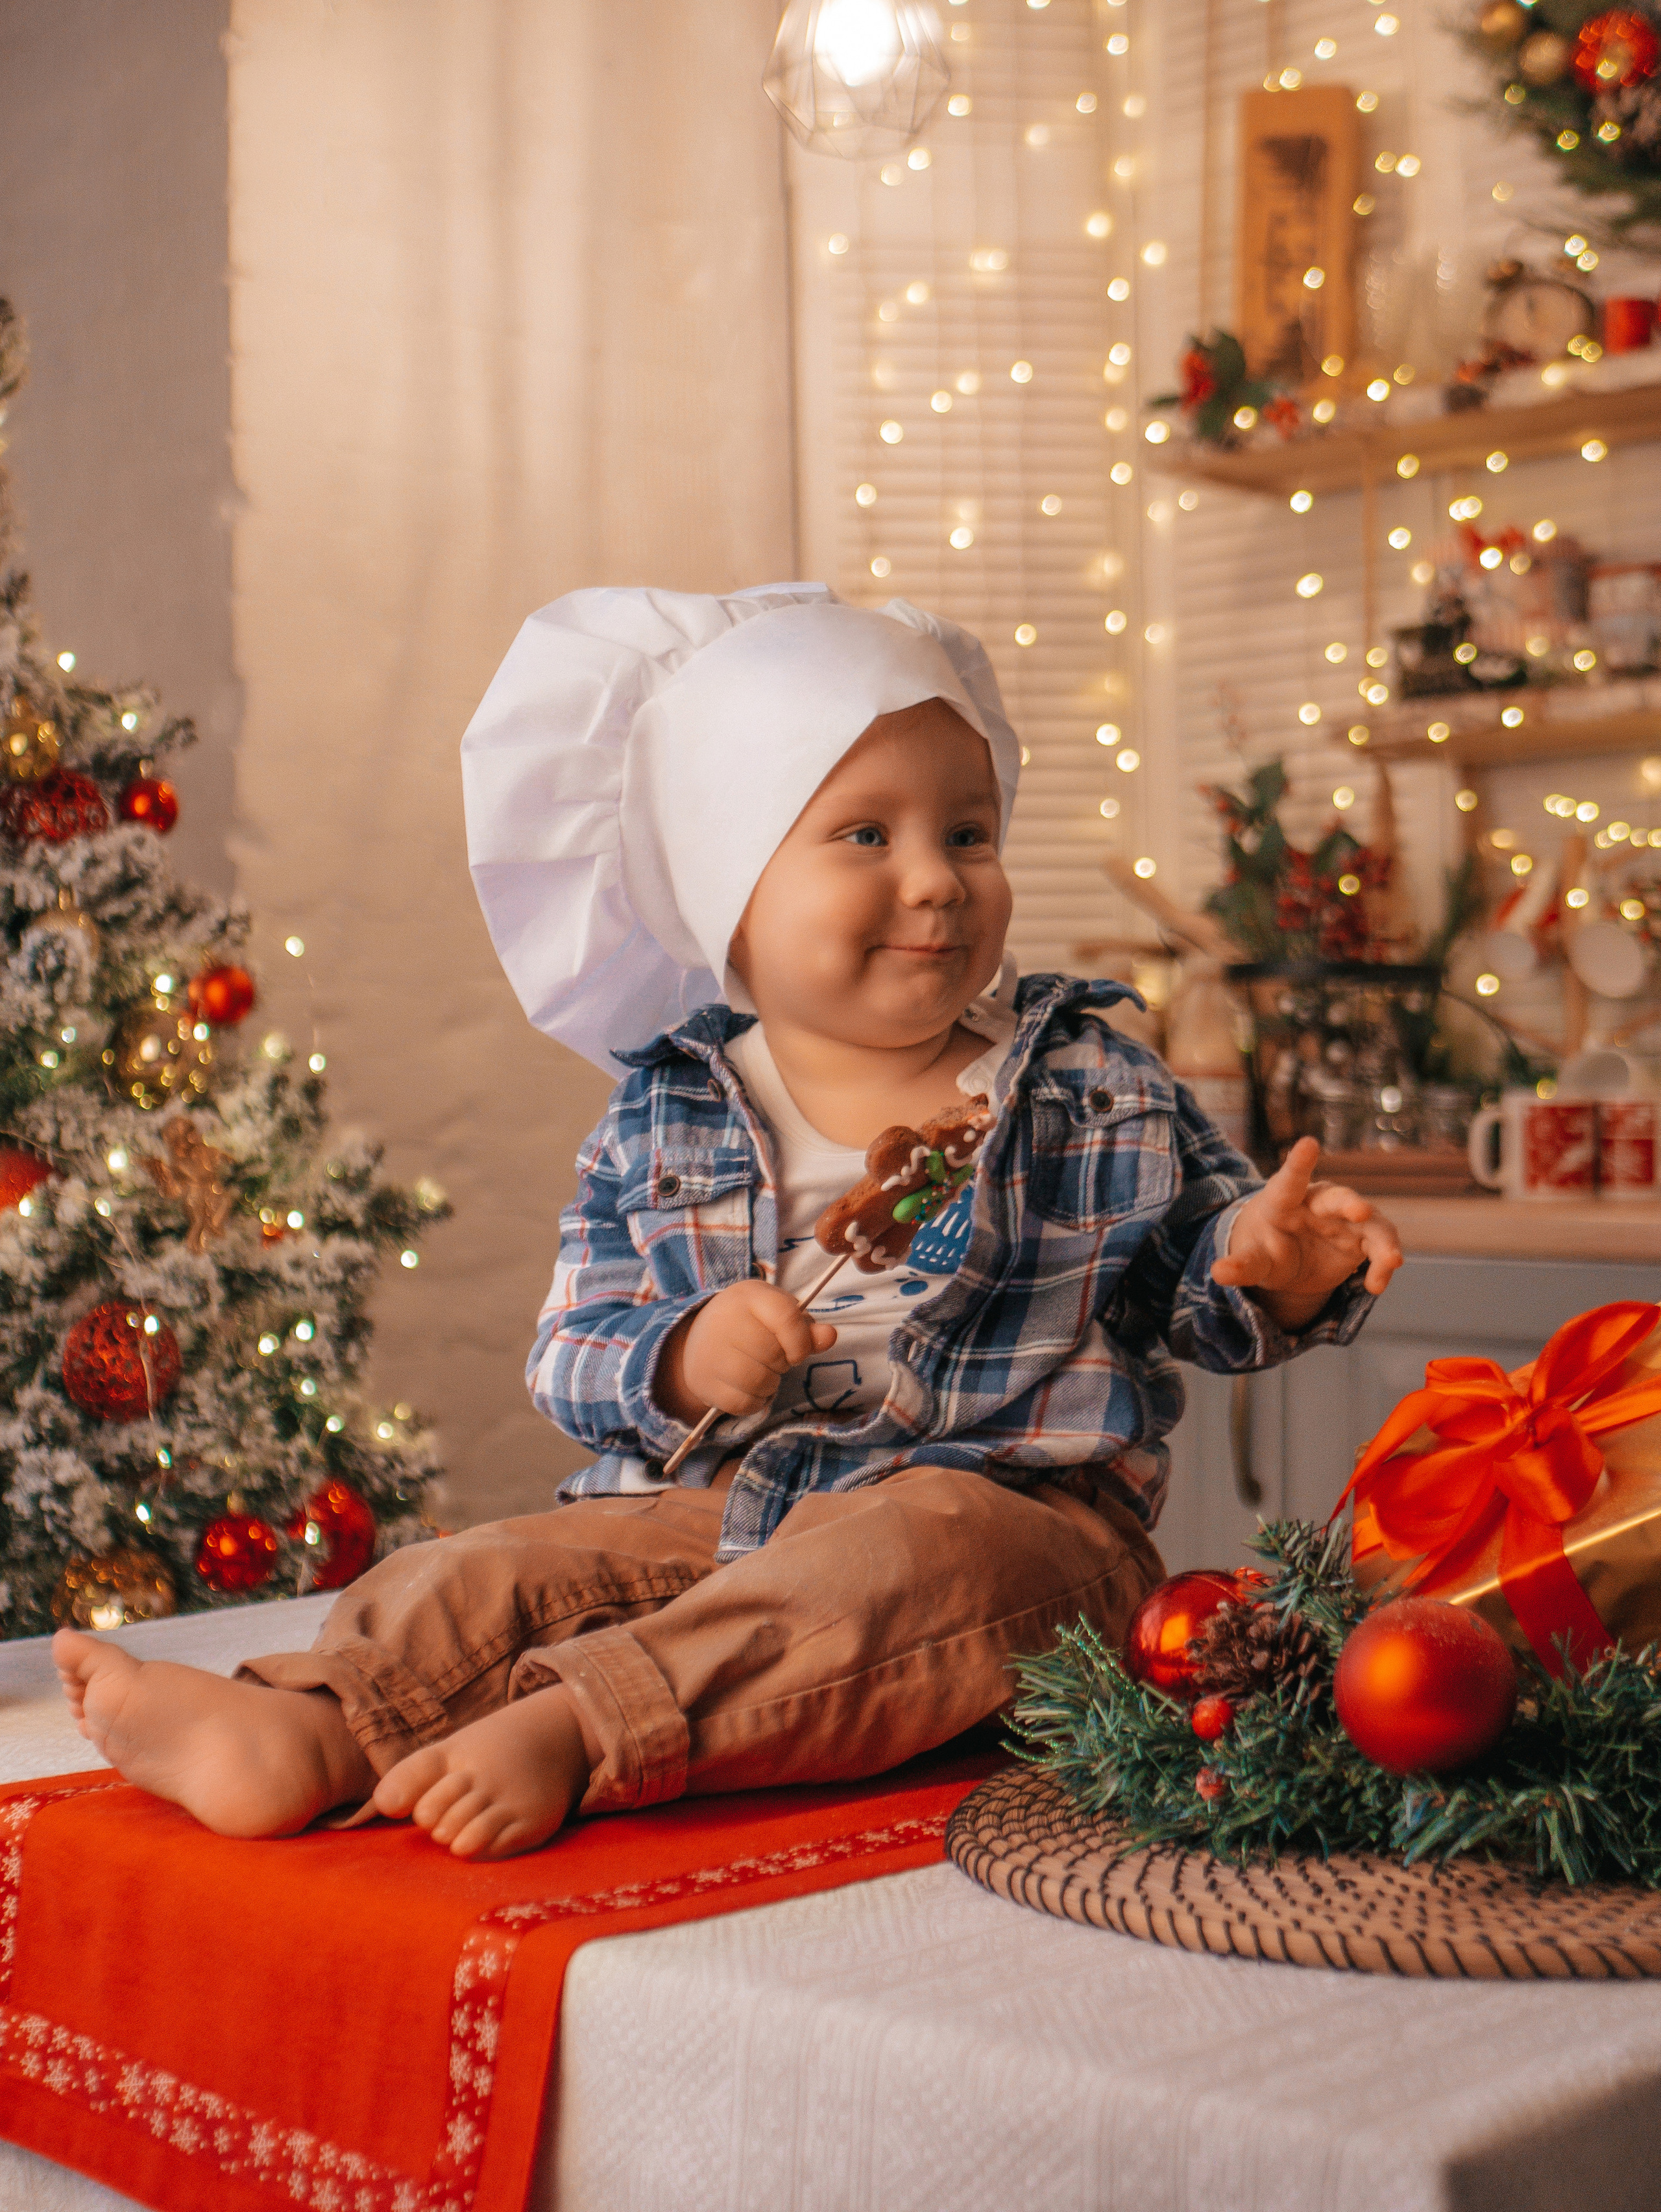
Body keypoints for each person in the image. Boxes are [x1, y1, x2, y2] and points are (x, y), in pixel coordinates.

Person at [55, 586, 1401, 1860]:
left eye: (967, 832)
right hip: (719, 1506)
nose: (935, 880)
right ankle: (318, 1722)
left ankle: (587, 1724)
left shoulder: (1084, 1078)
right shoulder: (665, 1116)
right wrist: (683, 1354)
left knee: (914, 1550)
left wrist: (1268, 1268)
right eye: (865, 836)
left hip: (1018, 1532)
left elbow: (1196, 1281)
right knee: (497, 1563)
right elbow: (573, 1352)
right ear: (725, 894)